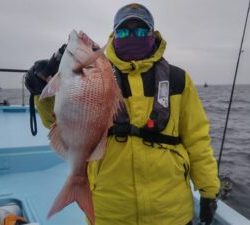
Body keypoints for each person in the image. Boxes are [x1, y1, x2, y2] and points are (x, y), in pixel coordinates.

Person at [25, 3, 220, 225]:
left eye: (140, 30)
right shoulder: (99, 72)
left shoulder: (178, 80)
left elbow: (197, 141)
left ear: (152, 34)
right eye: (124, 31)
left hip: (170, 211)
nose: (132, 36)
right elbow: (54, 119)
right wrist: (40, 87)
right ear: (114, 35)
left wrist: (209, 190)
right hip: (110, 212)